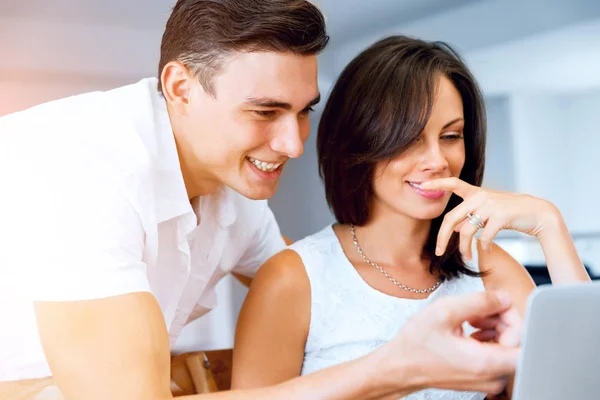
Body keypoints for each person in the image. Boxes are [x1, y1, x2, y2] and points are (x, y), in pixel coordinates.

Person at [0, 1, 525, 399]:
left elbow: (320, 281)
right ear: (181, 87)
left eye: (302, 111)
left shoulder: (234, 197)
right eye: (264, 112)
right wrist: (399, 367)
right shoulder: (86, 171)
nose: (293, 144)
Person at [230, 36, 591, 399]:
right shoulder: (291, 280)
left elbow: (582, 385)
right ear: (358, 143)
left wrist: (549, 224)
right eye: (410, 138)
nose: (437, 160)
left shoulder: (491, 269)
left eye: (451, 136)